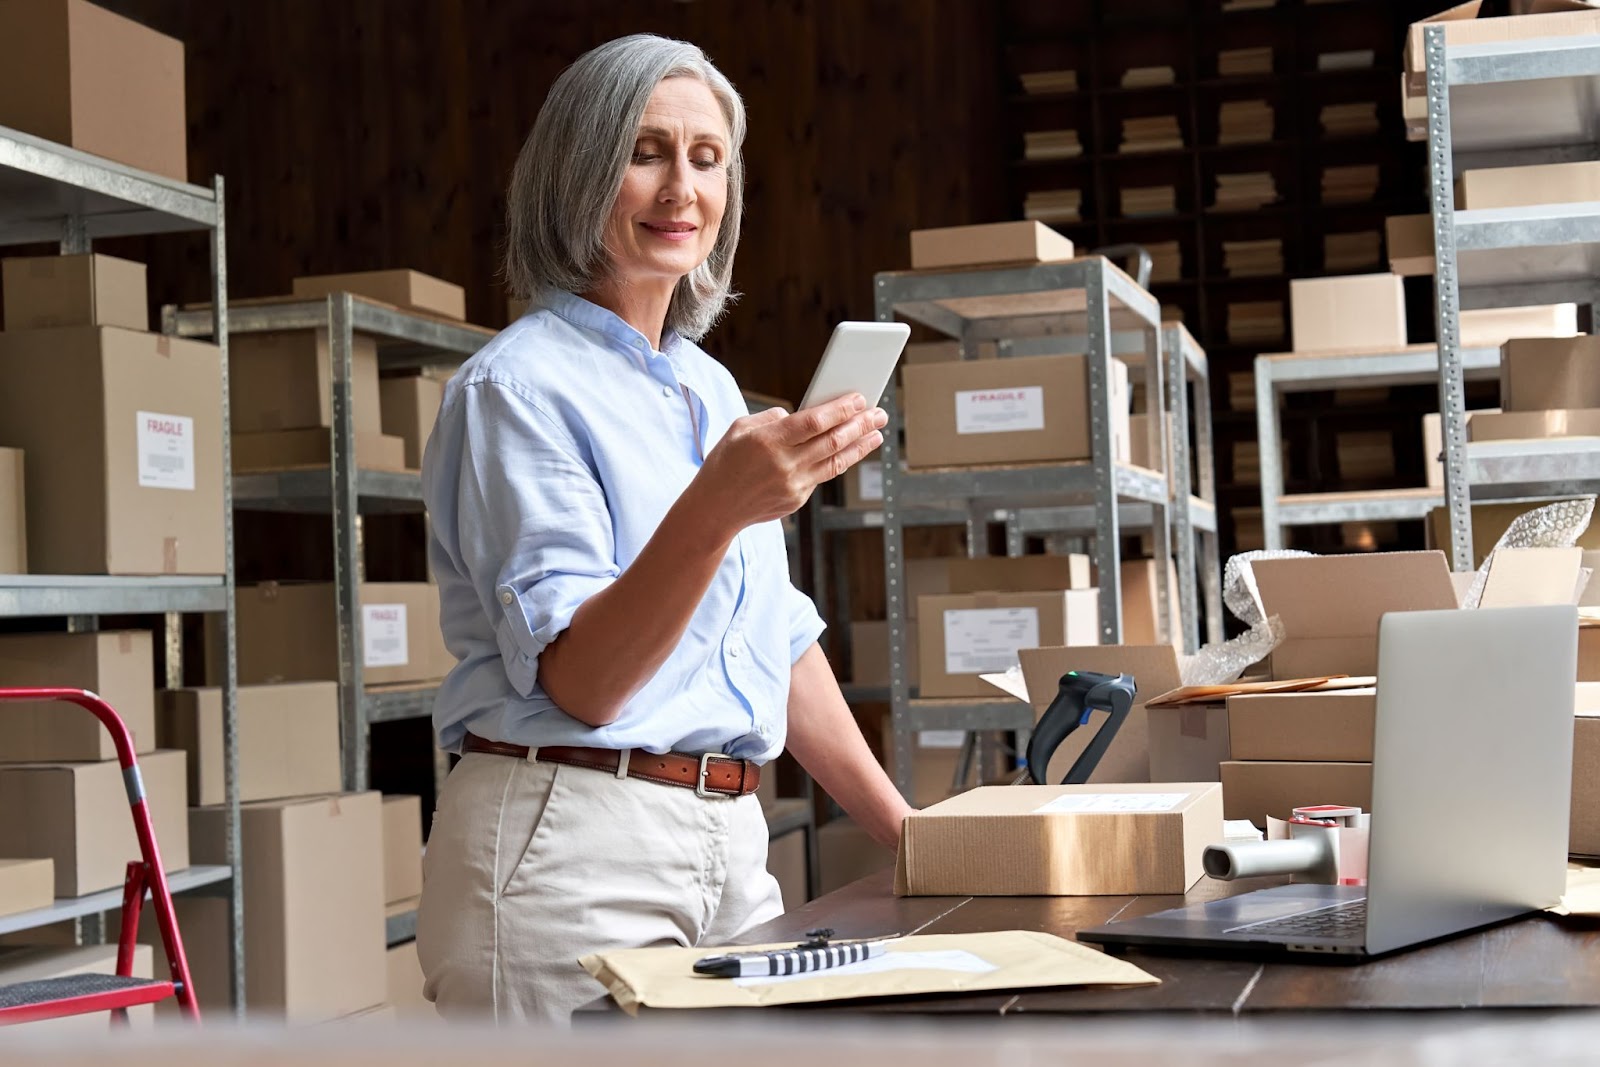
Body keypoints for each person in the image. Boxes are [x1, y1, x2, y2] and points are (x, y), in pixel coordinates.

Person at [415, 33, 914, 1024]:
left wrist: (913, 835)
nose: (679, 188)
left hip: (730, 838)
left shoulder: (706, 384)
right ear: (578, 169)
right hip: (570, 841)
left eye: (706, 157)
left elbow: (770, 637)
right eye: (644, 151)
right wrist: (720, 505)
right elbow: (584, 682)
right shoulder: (516, 388)